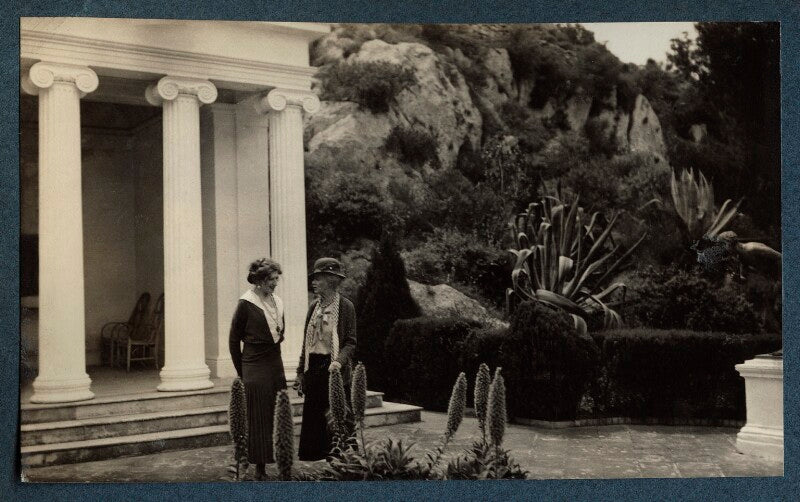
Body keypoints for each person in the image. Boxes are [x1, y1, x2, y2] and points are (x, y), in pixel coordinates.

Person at [229, 258, 287, 480]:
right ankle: (258, 468)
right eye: (271, 279)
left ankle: (279, 461)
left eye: (276, 279)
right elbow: (234, 340)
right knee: (259, 415)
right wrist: (241, 372)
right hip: (253, 363)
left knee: (277, 412)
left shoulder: (278, 301)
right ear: (260, 280)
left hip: (275, 362)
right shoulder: (246, 303)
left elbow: (279, 333)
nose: (275, 283)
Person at [295, 257, 357, 461]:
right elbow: (306, 342)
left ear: (331, 280)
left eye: (318, 278)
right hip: (314, 368)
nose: (313, 282)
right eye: (313, 278)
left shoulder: (346, 307)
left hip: (334, 368)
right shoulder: (314, 307)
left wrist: (339, 361)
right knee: (315, 421)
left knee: (338, 415)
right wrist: (300, 373)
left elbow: (350, 341)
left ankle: (343, 464)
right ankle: (321, 463)